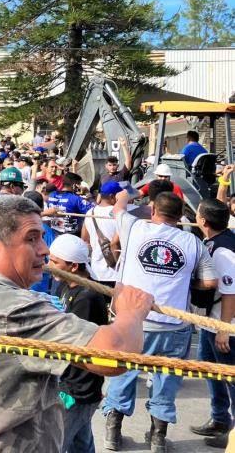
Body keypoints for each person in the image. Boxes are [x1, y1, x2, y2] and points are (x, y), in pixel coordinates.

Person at [0, 195, 155, 452]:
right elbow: (113, 354)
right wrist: (131, 312)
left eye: (42, 237)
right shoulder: (15, 307)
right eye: (31, 238)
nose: (44, 249)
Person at [102, 189, 217, 452]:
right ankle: (157, 440)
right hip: (174, 325)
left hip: (134, 321)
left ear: (153, 211)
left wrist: (131, 194)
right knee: (166, 379)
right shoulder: (193, 242)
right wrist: (184, 282)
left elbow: (119, 204)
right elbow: (210, 282)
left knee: (124, 373)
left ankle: (112, 435)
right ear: (180, 216)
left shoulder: (134, 227)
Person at [49, 234, 109, 453]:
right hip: (69, 381)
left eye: (55, 262)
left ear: (73, 266)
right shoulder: (64, 286)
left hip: (78, 388)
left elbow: (78, 344)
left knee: (57, 442)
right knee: (81, 442)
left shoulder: (87, 296)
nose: (49, 266)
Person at [190, 198, 235, 448]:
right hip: (211, 323)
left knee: (230, 378)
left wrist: (223, 330)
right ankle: (219, 419)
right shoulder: (214, 242)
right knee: (212, 373)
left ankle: (234, 433)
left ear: (203, 220)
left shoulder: (224, 251)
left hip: (223, 326)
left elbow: (231, 292)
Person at [81, 181, 123, 289]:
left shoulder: (90, 212)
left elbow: (84, 240)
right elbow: (116, 242)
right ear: (112, 196)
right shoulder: (119, 214)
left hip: (95, 271)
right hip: (115, 272)